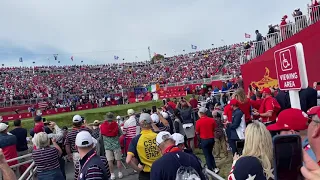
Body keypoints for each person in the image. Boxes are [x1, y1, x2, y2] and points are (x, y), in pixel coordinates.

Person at [126, 113, 162, 180]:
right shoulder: (158, 136)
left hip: (146, 173)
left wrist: (138, 170)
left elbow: (128, 160)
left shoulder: (136, 139)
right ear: (151, 122)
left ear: (139, 124)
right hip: (161, 170)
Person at [195, 107, 219, 173]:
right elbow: (214, 129)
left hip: (204, 139)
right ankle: (214, 167)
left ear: (200, 113)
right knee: (210, 153)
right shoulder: (212, 120)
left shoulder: (198, 122)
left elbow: (197, 132)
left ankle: (210, 169)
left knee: (207, 155)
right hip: (211, 139)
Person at [100, 112, 123, 180]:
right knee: (118, 159)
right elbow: (120, 133)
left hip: (107, 145)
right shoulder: (116, 124)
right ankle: (120, 173)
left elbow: (101, 135)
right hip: (116, 144)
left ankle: (112, 174)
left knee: (109, 160)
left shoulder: (102, 125)